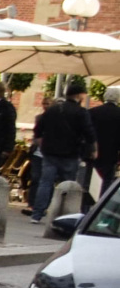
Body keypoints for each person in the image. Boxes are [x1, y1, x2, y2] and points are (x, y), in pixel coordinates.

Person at [30, 77, 95, 220]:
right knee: (68, 185)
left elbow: (38, 128)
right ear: (78, 96)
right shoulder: (81, 112)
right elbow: (88, 131)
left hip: (50, 152)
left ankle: (37, 214)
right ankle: (63, 215)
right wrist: (93, 148)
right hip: (70, 153)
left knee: (45, 183)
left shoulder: (52, 110)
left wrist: (40, 139)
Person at [92, 85, 120, 201]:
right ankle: (101, 203)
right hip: (111, 154)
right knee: (106, 181)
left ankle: (86, 207)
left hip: (92, 153)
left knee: (90, 180)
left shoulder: (92, 112)